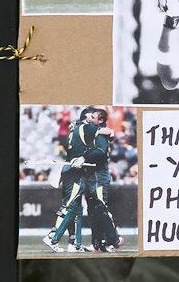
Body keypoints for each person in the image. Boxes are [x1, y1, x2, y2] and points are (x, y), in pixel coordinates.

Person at [43, 107, 122, 253]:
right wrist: (111, 132)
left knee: (77, 207)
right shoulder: (86, 127)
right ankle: (54, 236)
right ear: (86, 118)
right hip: (77, 172)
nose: (92, 120)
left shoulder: (75, 127)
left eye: (94, 117)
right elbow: (107, 133)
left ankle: (75, 242)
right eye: (90, 117)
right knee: (73, 206)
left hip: (77, 171)